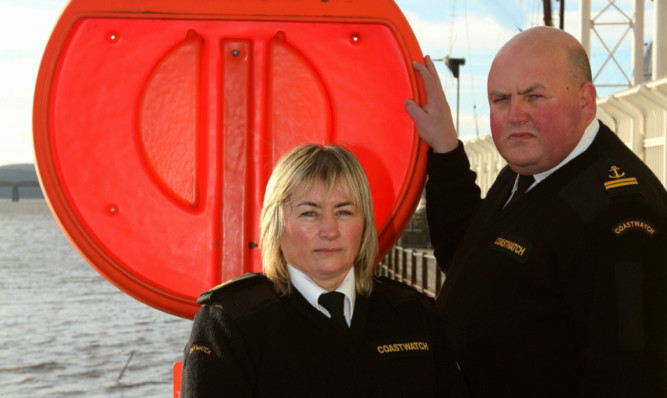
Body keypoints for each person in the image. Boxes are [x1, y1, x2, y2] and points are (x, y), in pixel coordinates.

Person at [404, 26, 667, 397]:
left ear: (586, 101)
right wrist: (446, 149)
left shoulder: (618, 216)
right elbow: (467, 254)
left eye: (534, 96)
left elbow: (629, 375)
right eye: (500, 99)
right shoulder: (531, 169)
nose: (515, 115)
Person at [180, 144, 462, 397]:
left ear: (364, 223)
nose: (330, 231)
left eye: (344, 212)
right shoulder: (231, 325)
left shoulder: (415, 315)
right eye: (309, 213)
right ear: (276, 224)